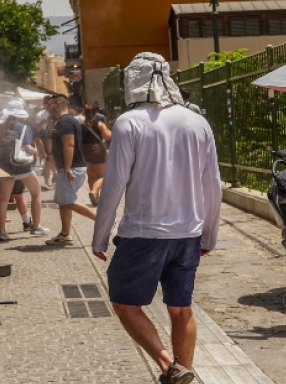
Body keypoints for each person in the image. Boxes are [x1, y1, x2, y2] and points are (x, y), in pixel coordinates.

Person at [91, 53, 222, 384]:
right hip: (188, 234)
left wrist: (100, 236)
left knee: (124, 303)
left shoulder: (129, 122)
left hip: (143, 234)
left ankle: (169, 366)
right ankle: (182, 372)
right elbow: (213, 184)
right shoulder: (198, 122)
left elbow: (114, 184)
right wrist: (209, 235)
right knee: (180, 308)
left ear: (132, 81)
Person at [0, 98, 50, 241]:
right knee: (36, 194)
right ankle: (36, 226)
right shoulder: (23, 128)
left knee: (4, 199)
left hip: (5, 167)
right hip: (23, 167)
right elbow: (27, 148)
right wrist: (37, 152)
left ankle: (2, 231)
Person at [44, 93, 96, 245]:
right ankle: (64, 234)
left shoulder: (65, 122)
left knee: (67, 202)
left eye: (50, 104)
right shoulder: (63, 121)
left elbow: (69, 144)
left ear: (58, 104)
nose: (47, 108)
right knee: (63, 202)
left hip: (71, 168)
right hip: (69, 168)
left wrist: (67, 168)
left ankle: (102, 221)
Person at [81, 104, 111, 206]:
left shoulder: (81, 124)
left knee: (91, 176)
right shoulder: (99, 123)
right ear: (96, 112)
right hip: (97, 150)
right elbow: (107, 136)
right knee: (102, 176)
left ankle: (95, 197)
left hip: (84, 151)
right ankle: (94, 192)